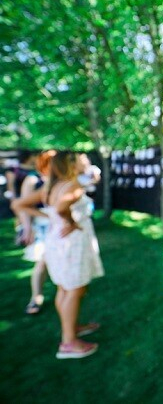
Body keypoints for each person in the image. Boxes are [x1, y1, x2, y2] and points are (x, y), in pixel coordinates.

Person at [12, 151, 104, 359]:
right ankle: (69, 343)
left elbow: (18, 204)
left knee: (65, 287)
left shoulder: (51, 186)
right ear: (70, 165)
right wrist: (69, 220)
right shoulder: (72, 185)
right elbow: (62, 207)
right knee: (74, 289)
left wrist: (49, 216)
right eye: (80, 160)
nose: (84, 162)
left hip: (57, 239)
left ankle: (71, 328)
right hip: (72, 242)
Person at [22, 150, 56, 315]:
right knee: (42, 261)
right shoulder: (32, 179)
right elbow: (23, 206)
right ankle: (36, 297)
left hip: (57, 225)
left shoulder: (59, 179)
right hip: (42, 225)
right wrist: (27, 228)